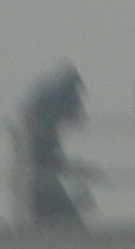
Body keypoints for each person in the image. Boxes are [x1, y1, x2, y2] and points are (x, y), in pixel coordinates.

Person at [19, 64, 88, 226]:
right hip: (40, 185)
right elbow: (49, 162)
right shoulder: (44, 127)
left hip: (40, 180)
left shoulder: (46, 126)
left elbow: (53, 160)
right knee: (70, 225)